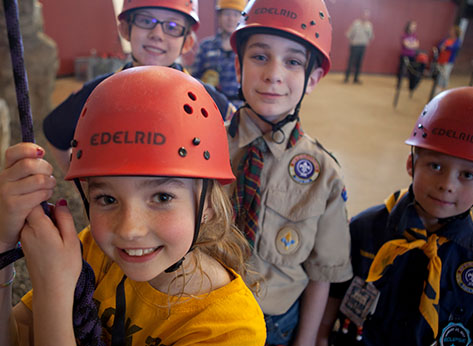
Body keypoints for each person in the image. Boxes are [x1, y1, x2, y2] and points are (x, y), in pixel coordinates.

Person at [0, 66, 266, 345]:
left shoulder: (231, 330)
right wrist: (4, 244)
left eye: (162, 197)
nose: (129, 230)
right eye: (108, 199)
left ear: (209, 202)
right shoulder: (93, 250)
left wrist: (53, 292)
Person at [227, 0, 353, 344]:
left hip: (275, 326)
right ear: (239, 64)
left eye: (293, 61)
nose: (274, 74)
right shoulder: (202, 146)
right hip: (199, 311)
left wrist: (307, 340)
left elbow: (321, 273)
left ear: (312, 79)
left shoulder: (324, 174)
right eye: (260, 56)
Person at [321, 87, 473, 346]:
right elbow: (333, 292)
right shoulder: (365, 229)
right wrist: (320, 337)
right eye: (435, 166)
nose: (447, 185)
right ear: (411, 165)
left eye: (467, 175)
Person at [43, 0, 236, 175]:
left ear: (187, 42)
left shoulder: (204, 97)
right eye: (145, 21)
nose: (157, 34)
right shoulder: (98, 93)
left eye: (172, 26)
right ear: (126, 29)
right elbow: (54, 131)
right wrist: (82, 184)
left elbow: (237, 134)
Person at [191, 0, 246, 105]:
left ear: (241, 18)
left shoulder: (245, 48)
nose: (231, 19)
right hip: (210, 104)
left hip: (238, 108)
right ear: (219, 16)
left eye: (235, 14)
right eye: (227, 14)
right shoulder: (206, 46)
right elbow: (193, 77)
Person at [344, 9, 374, 84]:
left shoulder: (369, 25)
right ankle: (346, 78)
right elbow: (350, 33)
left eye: (367, 15)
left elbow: (371, 36)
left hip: (363, 46)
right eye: (364, 15)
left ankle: (356, 78)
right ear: (362, 15)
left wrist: (368, 35)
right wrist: (352, 41)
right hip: (354, 45)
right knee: (351, 62)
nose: (365, 16)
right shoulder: (356, 23)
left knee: (359, 63)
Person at [436, 25, 462, 93]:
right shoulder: (446, 39)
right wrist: (442, 47)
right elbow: (440, 45)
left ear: (455, 32)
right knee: (440, 74)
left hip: (448, 61)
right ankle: (438, 87)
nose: (450, 31)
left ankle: (443, 89)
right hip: (441, 59)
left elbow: (454, 48)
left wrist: (446, 47)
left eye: (452, 30)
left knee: (445, 75)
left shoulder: (457, 41)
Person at [397, 20, 419, 88]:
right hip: (404, 55)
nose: (413, 28)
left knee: (412, 71)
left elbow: (417, 45)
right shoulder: (404, 35)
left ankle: (411, 85)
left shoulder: (415, 35)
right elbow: (406, 45)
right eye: (412, 26)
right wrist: (412, 45)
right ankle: (399, 84)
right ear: (408, 26)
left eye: (415, 27)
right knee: (401, 70)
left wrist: (410, 45)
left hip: (412, 55)